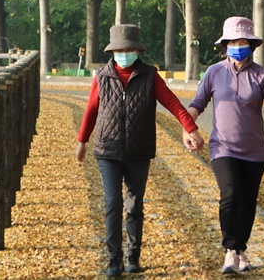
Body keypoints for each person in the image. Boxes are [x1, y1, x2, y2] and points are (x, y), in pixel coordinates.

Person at [77, 23, 204, 277]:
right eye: (119, 49)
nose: (124, 53)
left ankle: (132, 256)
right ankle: (114, 260)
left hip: (139, 151)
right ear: (113, 51)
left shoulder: (149, 75)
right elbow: (91, 110)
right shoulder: (102, 76)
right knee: (113, 203)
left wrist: (191, 128)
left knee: (134, 206)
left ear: (136, 50)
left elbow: (172, 103)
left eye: (129, 49)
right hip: (108, 150)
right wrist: (82, 140)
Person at [187, 16, 264, 274]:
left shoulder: (260, 74)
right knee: (230, 195)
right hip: (222, 147)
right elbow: (197, 103)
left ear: (251, 45)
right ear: (225, 45)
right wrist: (187, 127)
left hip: (254, 150)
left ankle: (242, 250)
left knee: (247, 201)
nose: (239, 45)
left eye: (243, 41)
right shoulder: (214, 72)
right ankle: (230, 250)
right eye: (234, 41)